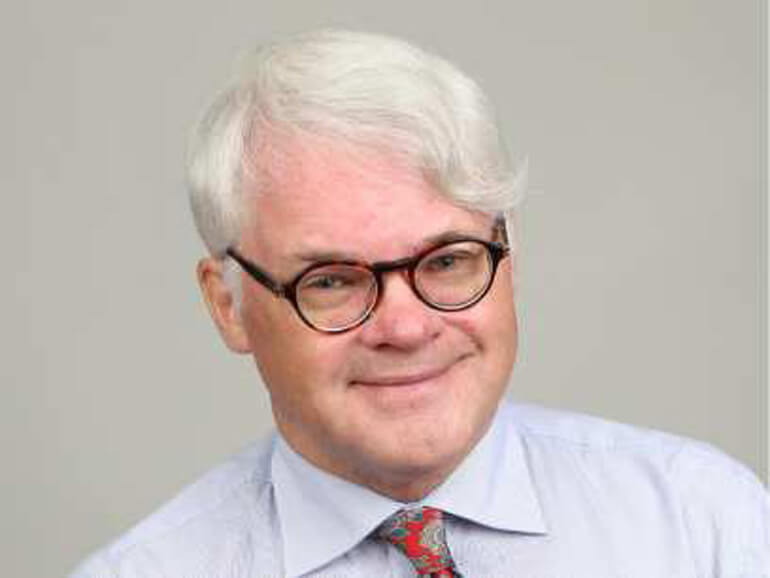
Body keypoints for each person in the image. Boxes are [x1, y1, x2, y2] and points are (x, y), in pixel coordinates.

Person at [71, 29, 769, 578]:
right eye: (332, 280)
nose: (405, 328)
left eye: (446, 261)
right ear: (227, 304)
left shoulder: (705, 525)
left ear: (509, 259)